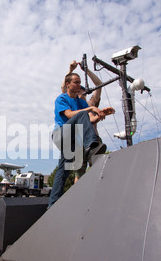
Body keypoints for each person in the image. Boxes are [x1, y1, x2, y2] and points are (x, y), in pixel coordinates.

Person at [49, 72, 115, 208]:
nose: (79, 85)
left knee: (63, 171)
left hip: (72, 141)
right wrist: (90, 108)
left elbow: (89, 119)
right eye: (76, 82)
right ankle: (90, 147)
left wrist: (101, 115)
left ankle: (52, 205)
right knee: (82, 114)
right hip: (61, 135)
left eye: (80, 82)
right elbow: (69, 114)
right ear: (68, 84)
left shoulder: (81, 102)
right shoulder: (61, 98)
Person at [61, 60, 105, 182]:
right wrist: (70, 71)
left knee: (98, 167)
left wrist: (87, 71)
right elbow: (64, 86)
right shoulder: (70, 102)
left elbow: (99, 85)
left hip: (93, 140)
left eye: (81, 92)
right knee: (79, 173)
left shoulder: (90, 103)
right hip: (78, 142)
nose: (79, 94)